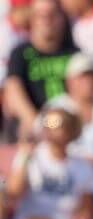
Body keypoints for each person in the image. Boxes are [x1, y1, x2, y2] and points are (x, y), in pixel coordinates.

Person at [4, 0, 77, 136]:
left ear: (62, 17)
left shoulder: (74, 53)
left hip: (70, 127)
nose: (47, 21)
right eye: (41, 15)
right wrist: (38, 126)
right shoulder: (21, 54)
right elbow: (13, 91)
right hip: (35, 129)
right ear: (32, 19)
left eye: (52, 15)